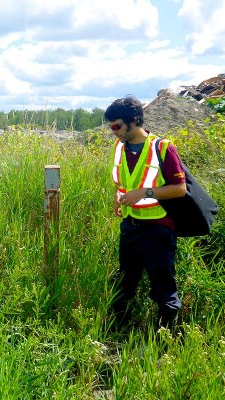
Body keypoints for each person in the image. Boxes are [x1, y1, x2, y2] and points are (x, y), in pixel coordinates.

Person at [104, 96, 187, 332]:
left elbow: (180, 189)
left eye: (116, 126)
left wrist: (145, 192)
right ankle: (117, 331)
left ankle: (165, 341)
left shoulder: (162, 148)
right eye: (111, 127)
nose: (113, 132)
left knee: (163, 287)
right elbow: (122, 181)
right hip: (130, 226)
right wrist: (118, 197)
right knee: (124, 282)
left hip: (158, 230)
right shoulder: (120, 147)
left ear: (134, 120)